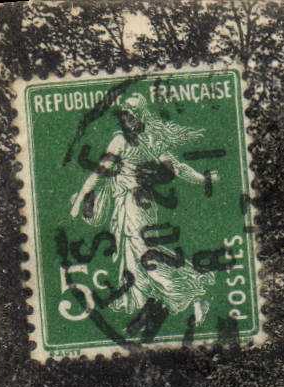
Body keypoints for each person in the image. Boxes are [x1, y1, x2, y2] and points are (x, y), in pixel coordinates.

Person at [68, 90, 217, 323]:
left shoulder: (134, 141)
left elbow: (175, 168)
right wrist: (203, 178)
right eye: (124, 114)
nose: (125, 118)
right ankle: (141, 303)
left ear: (138, 116)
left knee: (145, 256)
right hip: (134, 206)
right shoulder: (142, 140)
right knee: (133, 255)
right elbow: (101, 172)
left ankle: (193, 295)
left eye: (129, 114)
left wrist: (77, 202)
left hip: (134, 207)